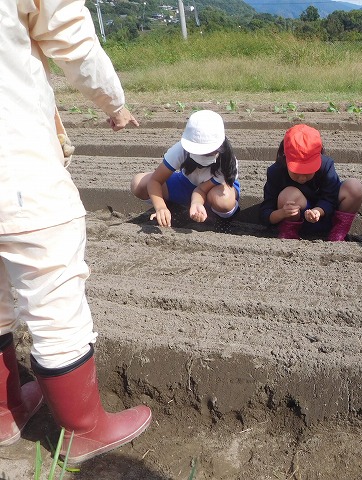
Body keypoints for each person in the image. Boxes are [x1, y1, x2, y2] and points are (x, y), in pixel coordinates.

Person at [0, 0, 151, 464]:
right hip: (17, 165)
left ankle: (5, 413)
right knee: (55, 297)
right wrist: (115, 104)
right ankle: (84, 431)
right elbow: (72, 37)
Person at [130, 110, 240, 227]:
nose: (203, 156)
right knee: (138, 183)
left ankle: (218, 217)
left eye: (208, 153)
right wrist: (160, 207)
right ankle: (171, 207)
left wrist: (197, 202)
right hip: (186, 184)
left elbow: (201, 190)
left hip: (212, 190)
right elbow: (155, 180)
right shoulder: (180, 150)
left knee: (223, 200)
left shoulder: (227, 161)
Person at [259, 124, 362, 241]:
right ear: (285, 159)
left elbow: (331, 197)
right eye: (297, 172)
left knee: (354, 187)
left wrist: (318, 211)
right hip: (297, 220)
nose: (302, 178)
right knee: (289, 194)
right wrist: (283, 213)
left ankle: (338, 232)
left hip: (326, 217)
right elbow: (265, 213)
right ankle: (289, 232)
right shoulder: (276, 172)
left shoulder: (326, 165)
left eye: (308, 171)